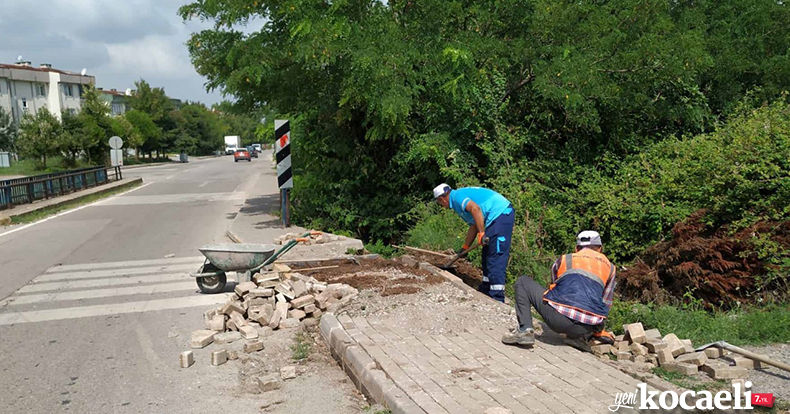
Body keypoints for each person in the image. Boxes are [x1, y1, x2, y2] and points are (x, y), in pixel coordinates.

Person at [501, 230, 616, 348]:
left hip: (558, 322)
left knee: (523, 282)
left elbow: (554, 290)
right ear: (600, 249)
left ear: (577, 248)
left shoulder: (565, 259)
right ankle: (577, 338)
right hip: (585, 329)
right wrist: (597, 331)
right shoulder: (611, 268)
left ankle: (525, 329)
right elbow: (606, 303)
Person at [433, 184, 515, 302]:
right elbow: (474, 224)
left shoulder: (456, 197)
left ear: (441, 199)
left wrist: (481, 233)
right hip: (496, 217)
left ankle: (497, 298)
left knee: (496, 255)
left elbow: (475, 209)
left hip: (501, 214)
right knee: (487, 254)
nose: (441, 205)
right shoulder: (456, 199)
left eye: (439, 203)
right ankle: (486, 289)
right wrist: (465, 247)